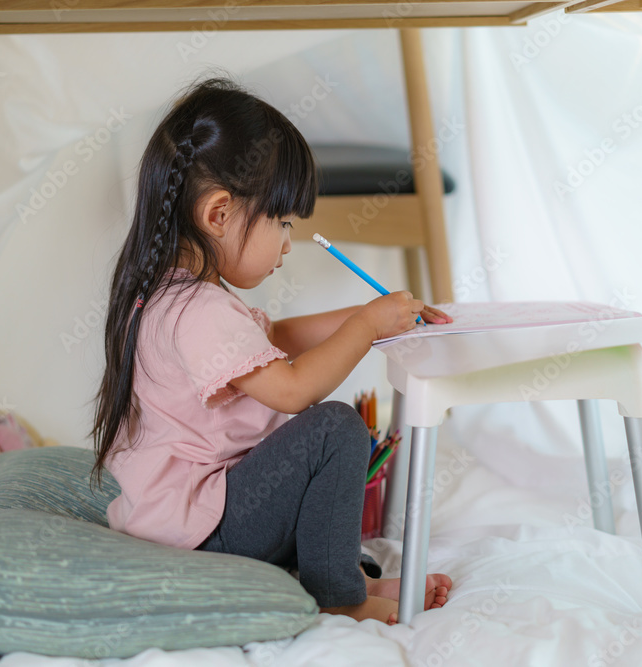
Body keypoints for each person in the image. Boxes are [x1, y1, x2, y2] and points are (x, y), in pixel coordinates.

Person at [90, 75, 453, 625]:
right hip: (201, 533)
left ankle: (339, 576)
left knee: (307, 468)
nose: (288, 243)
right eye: (282, 222)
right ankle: (343, 597)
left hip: (194, 519)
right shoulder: (199, 311)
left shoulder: (172, 295)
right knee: (335, 428)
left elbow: (274, 338)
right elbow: (292, 390)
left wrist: (372, 321)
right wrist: (364, 327)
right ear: (218, 213)